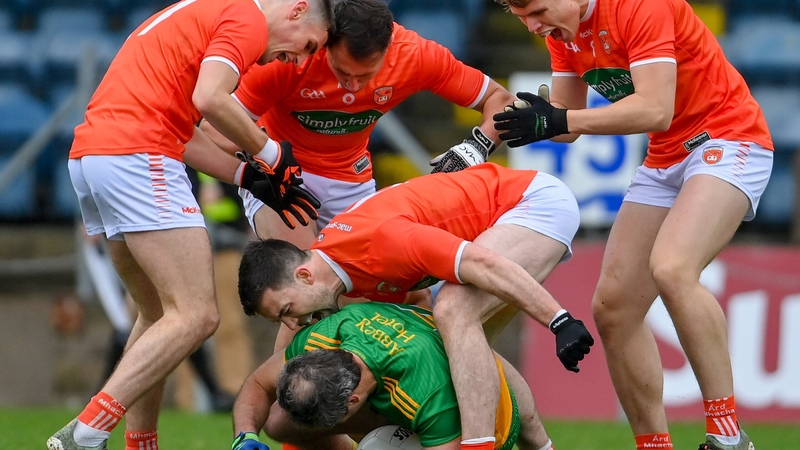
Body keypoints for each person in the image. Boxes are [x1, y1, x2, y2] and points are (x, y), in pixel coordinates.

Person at [47, 0, 334, 449]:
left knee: (159, 314)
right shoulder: (246, 19)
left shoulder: (204, 13)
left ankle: (141, 443)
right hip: (138, 156)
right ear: (297, 10)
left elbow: (183, 127)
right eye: (308, 46)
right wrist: (273, 154)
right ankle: (85, 433)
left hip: (94, 157)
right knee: (197, 315)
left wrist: (246, 176)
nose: (297, 60)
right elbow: (210, 99)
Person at [492, 1, 774, 449]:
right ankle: (653, 445)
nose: (531, 25)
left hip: (728, 137)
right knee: (613, 308)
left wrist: (559, 118)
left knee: (672, 268)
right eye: (519, 16)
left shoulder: (639, 6)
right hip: (666, 158)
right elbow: (566, 122)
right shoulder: (562, 33)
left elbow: (655, 110)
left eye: (538, 10)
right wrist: (527, 119)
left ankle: (727, 435)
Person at [237, 163, 595, 450]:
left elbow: (482, 264)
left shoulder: (378, 243)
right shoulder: (339, 275)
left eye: (286, 311)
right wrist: (261, 430)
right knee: (460, 347)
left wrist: (559, 321)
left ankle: (477, 445)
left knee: (454, 310)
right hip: (490, 230)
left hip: (533, 203)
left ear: (304, 276)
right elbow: (277, 376)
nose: (295, 322)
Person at [198, 0, 518, 256]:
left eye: (364, 75)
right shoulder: (294, 57)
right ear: (325, 42)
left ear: (389, 50)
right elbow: (214, 126)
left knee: (383, 296)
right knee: (304, 281)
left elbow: (499, 98)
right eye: (341, 70)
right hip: (280, 174)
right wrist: (261, 154)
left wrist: (476, 147)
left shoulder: (416, 55)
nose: (350, 86)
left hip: (350, 179)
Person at [230, 301, 555, 450]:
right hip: (396, 388)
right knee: (276, 422)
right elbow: (258, 383)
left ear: (352, 401)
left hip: (486, 426)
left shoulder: (426, 393)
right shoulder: (322, 334)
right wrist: (245, 436)